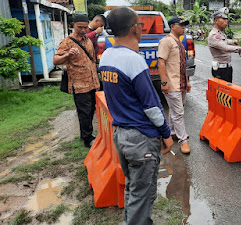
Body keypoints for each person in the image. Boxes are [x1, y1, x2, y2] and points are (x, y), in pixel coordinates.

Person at [99, 7, 173, 225]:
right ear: (134, 29)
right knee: (143, 196)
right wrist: (166, 134)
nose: (141, 28)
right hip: (141, 139)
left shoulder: (107, 56)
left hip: (122, 136)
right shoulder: (134, 60)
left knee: (133, 189)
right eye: (140, 25)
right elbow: (151, 106)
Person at [53, 14, 100, 148]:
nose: (83, 30)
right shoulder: (67, 42)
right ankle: (87, 139)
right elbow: (55, 60)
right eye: (80, 27)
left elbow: (92, 60)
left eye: (85, 27)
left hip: (92, 82)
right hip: (79, 84)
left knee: (91, 110)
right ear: (73, 25)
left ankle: (86, 134)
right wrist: (67, 55)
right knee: (84, 112)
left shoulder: (88, 41)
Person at [158, 16, 191, 154]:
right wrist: (164, 82)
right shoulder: (166, 41)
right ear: (172, 26)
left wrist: (187, 81)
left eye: (184, 25)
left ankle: (172, 131)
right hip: (172, 84)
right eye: (180, 25)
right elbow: (161, 62)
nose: (183, 27)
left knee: (175, 110)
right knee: (178, 113)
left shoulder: (179, 41)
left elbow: (183, 64)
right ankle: (183, 141)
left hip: (181, 83)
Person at [208, 8, 241, 83]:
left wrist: (233, 42)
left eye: (226, 19)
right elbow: (225, 47)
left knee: (228, 92)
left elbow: (224, 41)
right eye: (223, 19)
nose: (226, 21)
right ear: (216, 20)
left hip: (227, 68)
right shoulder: (214, 35)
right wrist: (238, 49)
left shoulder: (220, 33)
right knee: (221, 93)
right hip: (220, 70)